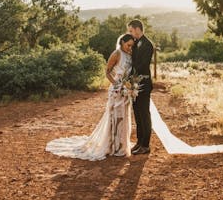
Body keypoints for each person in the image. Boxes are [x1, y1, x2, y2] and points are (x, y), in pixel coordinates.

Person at [45, 34, 135, 160]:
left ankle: (122, 145)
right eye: (128, 45)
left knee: (124, 118)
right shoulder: (117, 53)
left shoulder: (130, 54)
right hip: (116, 90)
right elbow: (107, 72)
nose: (130, 47)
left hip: (126, 91)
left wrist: (130, 85)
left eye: (132, 45)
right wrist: (116, 84)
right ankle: (112, 146)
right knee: (115, 118)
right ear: (122, 42)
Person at [128, 19, 154, 155]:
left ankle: (146, 145)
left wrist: (131, 73)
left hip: (144, 83)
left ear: (138, 29)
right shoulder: (136, 43)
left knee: (144, 114)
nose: (130, 33)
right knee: (137, 113)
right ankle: (139, 142)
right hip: (135, 84)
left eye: (131, 30)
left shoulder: (148, 44)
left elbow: (143, 65)